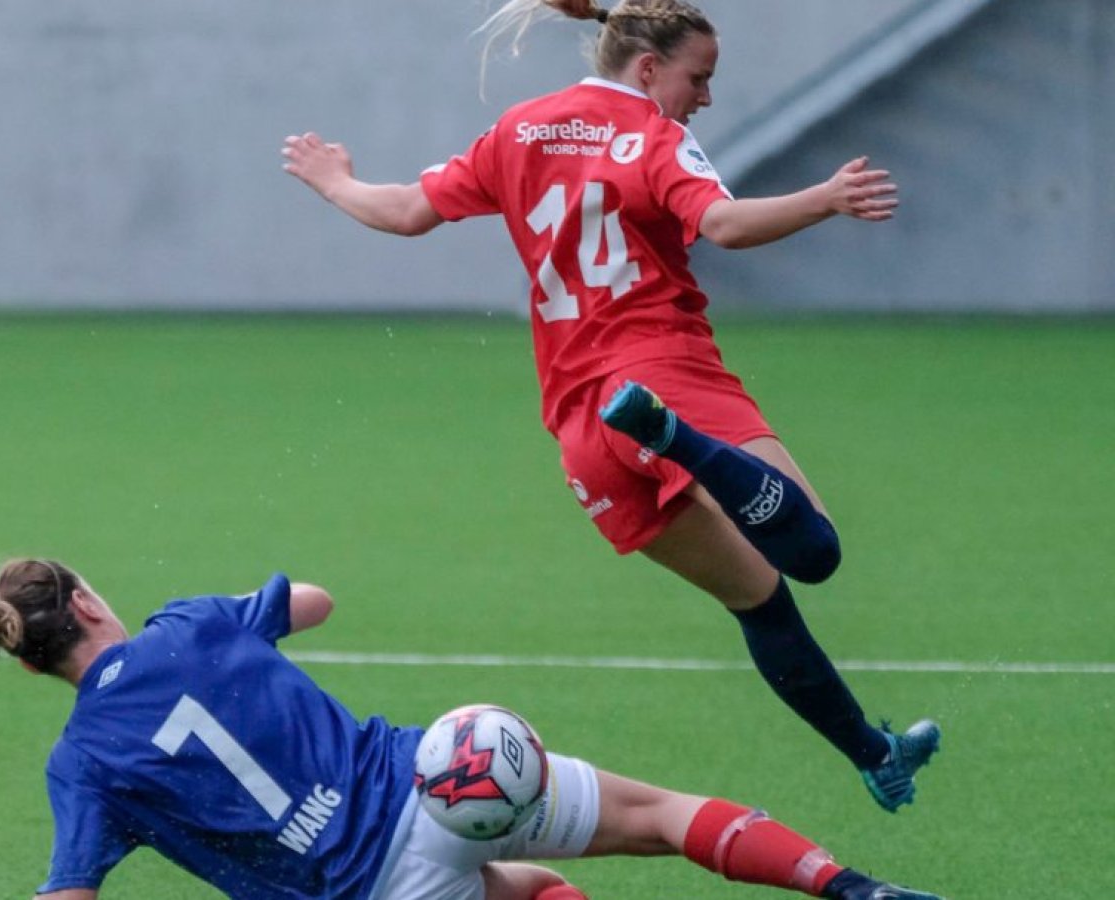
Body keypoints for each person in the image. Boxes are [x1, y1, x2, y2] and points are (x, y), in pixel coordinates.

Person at [280, 0, 940, 812]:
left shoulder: (520, 129)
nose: (704, 97)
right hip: (667, 371)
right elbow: (724, 225)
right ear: (650, 68)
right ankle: (679, 441)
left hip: (582, 426)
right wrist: (826, 197)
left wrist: (333, 180)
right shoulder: (654, 137)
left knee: (759, 598)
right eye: (699, 79)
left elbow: (410, 212)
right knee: (814, 552)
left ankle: (874, 754)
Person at [0, 557, 946, 899]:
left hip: (370, 886)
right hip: (440, 775)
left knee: (516, 888)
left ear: (32, 659)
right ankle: (848, 888)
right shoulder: (189, 627)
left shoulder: (81, 764)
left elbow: (70, 892)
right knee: (655, 823)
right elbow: (312, 599)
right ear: (87, 606)